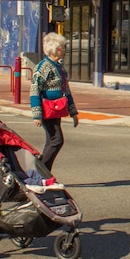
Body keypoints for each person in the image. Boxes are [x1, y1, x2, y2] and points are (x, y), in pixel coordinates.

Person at [30, 31, 78, 171]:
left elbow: (66, 91)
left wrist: (73, 112)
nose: (64, 50)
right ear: (56, 49)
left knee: (51, 141)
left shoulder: (60, 68)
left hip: (57, 109)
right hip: (47, 109)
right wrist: (37, 114)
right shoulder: (43, 67)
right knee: (57, 140)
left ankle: (44, 173)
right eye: (62, 47)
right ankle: (40, 170)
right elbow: (34, 91)